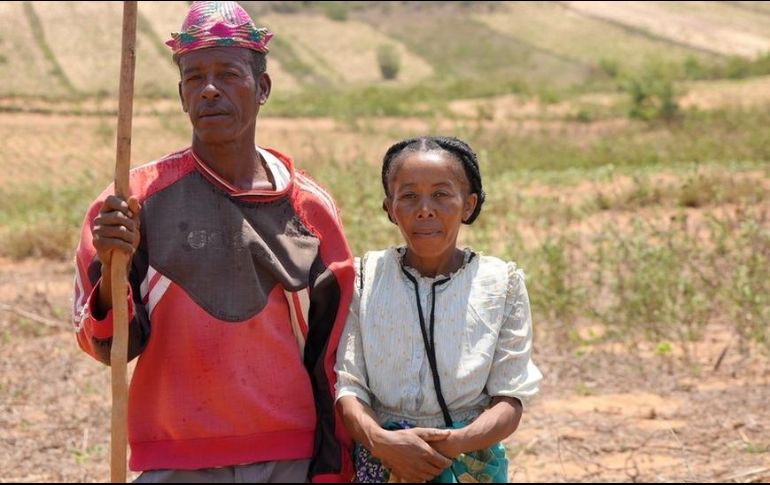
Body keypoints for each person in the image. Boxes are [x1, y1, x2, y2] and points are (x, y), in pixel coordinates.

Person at [72, 2, 353, 482]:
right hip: (171, 458)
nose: (208, 89)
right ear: (181, 96)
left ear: (262, 88)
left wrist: (333, 467)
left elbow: (335, 355)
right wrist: (110, 269)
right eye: (194, 77)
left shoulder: (308, 210)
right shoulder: (130, 203)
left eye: (229, 74)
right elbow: (106, 345)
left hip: (289, 456)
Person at [334, 136, 542, 483]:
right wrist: (383, 442)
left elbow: (510, 397)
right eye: (409, 196)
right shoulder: (364, 278)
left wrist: (453, 442)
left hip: (469, 462)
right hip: (383, 460)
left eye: (442, 194)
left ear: (469, 205)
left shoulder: (500, 283)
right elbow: (349, 387)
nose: (425, 209)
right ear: (390, 207)